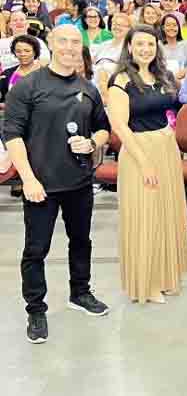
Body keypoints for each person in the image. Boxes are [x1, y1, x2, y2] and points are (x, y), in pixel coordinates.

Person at [4, 25, 112, 343]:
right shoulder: (27, 86)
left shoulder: (87, 88)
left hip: (79, 182)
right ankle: (35, 310)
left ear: (82, 47)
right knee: (36, 249)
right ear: (50, 44)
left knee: (81, 241)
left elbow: (104, 130)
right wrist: (28, 179)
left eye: (75, 42)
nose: (69, 47)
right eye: (62, 41)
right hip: (40, 185)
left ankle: (80, 292)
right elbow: (12, 136)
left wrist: (92, 143)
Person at [106, 25, 187, 304]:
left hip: (166, 149)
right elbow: (119, 126)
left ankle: (166, 276)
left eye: (151, 45)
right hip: (138, 152)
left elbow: (173, 109)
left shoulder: (163, 75)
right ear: (129, 47)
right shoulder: (120, 79)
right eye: (139, 44)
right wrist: (144, 163)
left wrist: (170, 130)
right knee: (145, 216)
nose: (145, 49)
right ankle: (147, 283)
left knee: (166, 213)